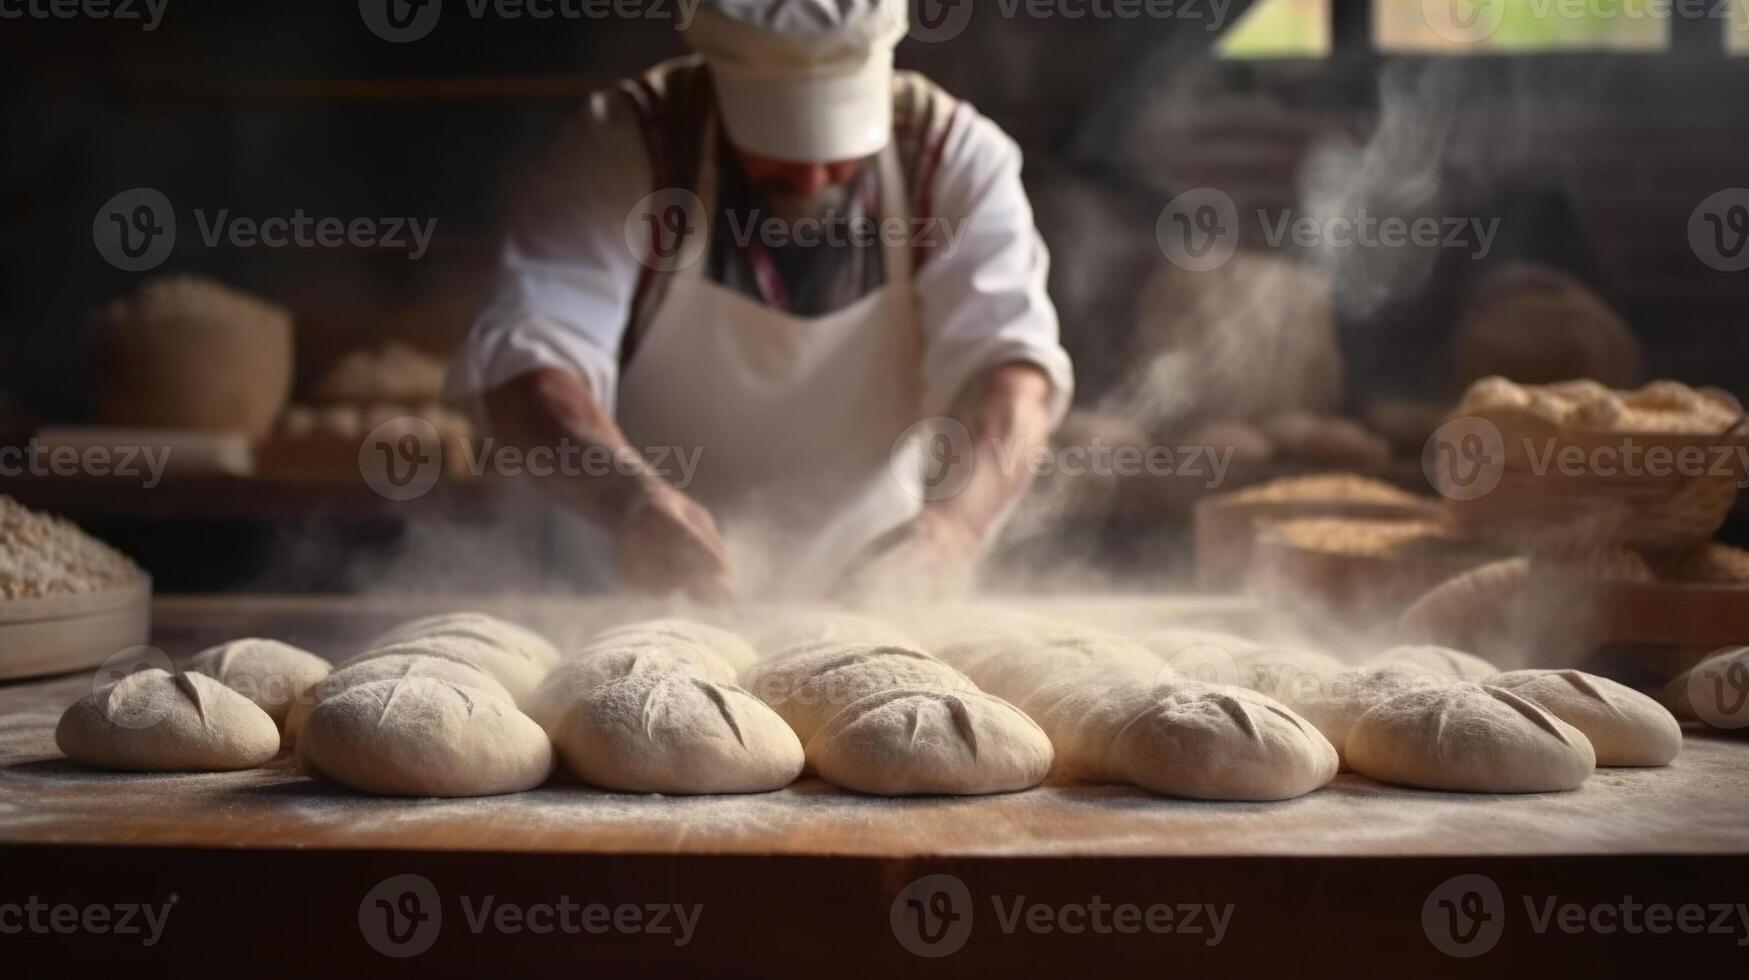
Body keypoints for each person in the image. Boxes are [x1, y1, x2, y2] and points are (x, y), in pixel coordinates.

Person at [454, 0, 1073, 600]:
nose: (809, 178)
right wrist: (631, 500)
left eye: (836, 155)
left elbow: (1012, 376)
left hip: (872, 594)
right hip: (626, 597)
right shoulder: (630, 148)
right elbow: (527, 366)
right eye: (777, 152)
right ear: (720, 87)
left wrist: (951, 533)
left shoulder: (949, 161)